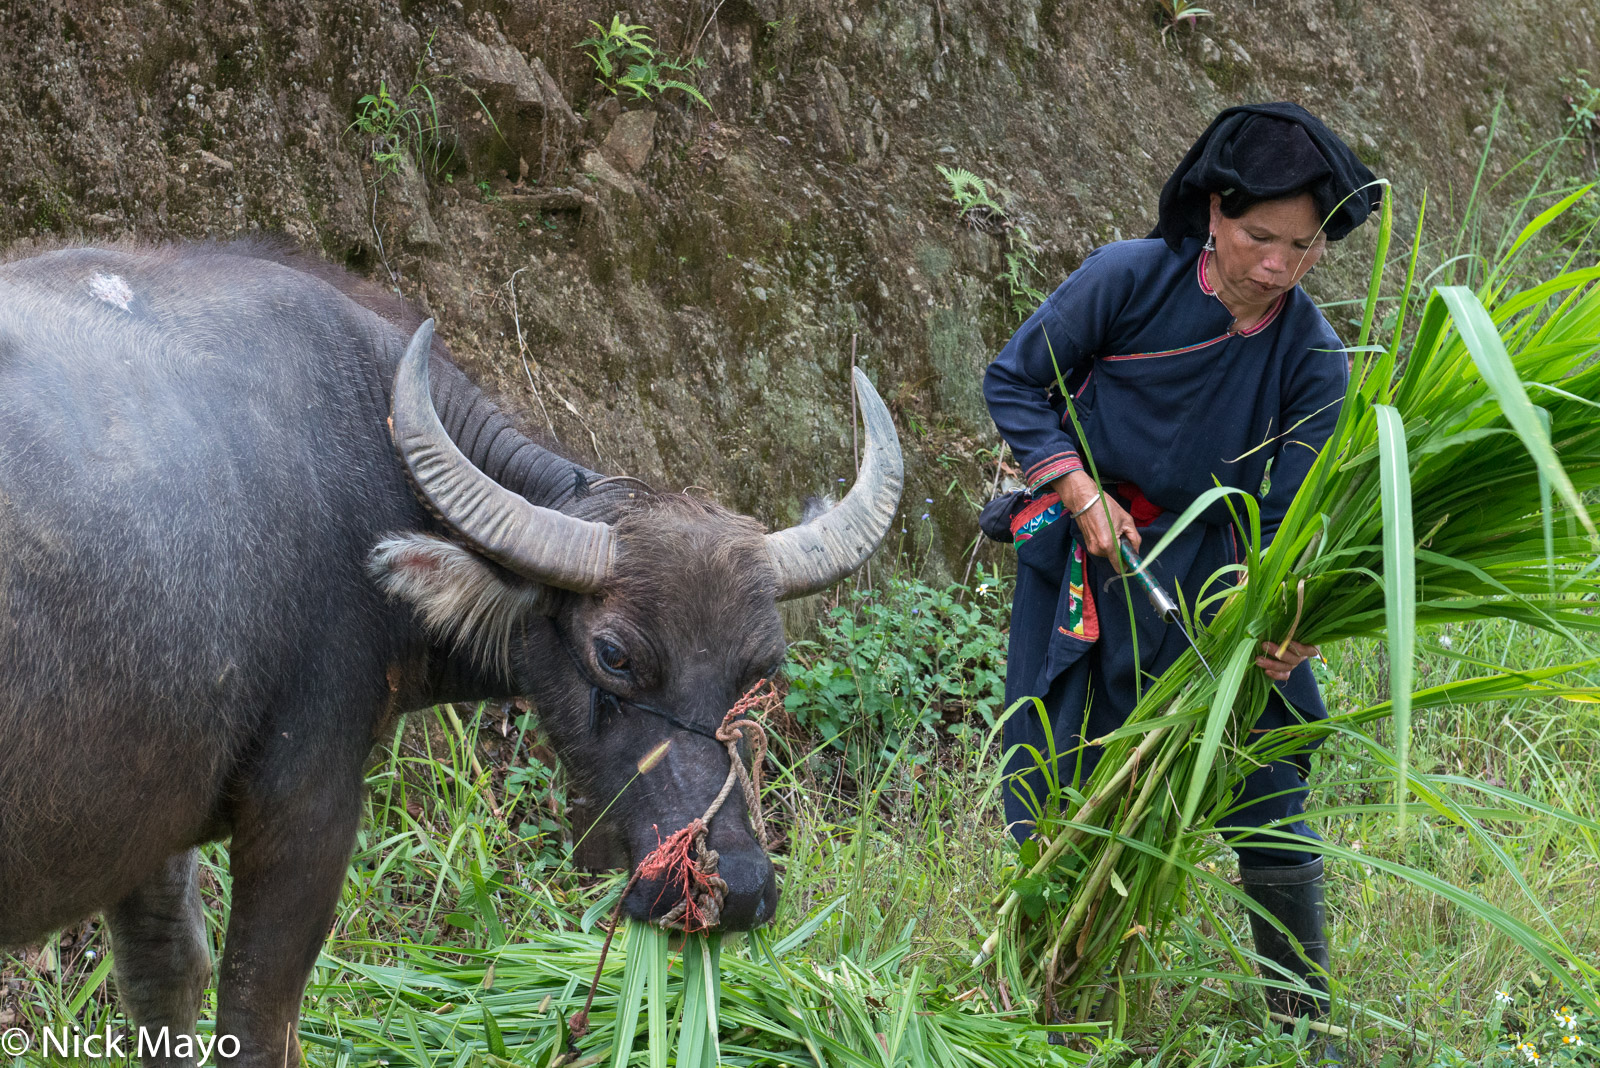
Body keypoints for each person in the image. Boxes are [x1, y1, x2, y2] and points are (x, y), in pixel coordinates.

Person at [983, 102, 1381, 1043]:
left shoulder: (1313, 357)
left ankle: (1302, 1024)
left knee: (1268, 776)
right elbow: (1014, 381)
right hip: (1092, 553)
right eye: (1258, 236)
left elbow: (1293, 515)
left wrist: (1283, 611)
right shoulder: (1127, 279)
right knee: (1053, 767)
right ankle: (1051, 996)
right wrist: (1076, 488)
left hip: (1214, 586)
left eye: (1304, 243)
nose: (1278, 264)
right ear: (1212, 212)